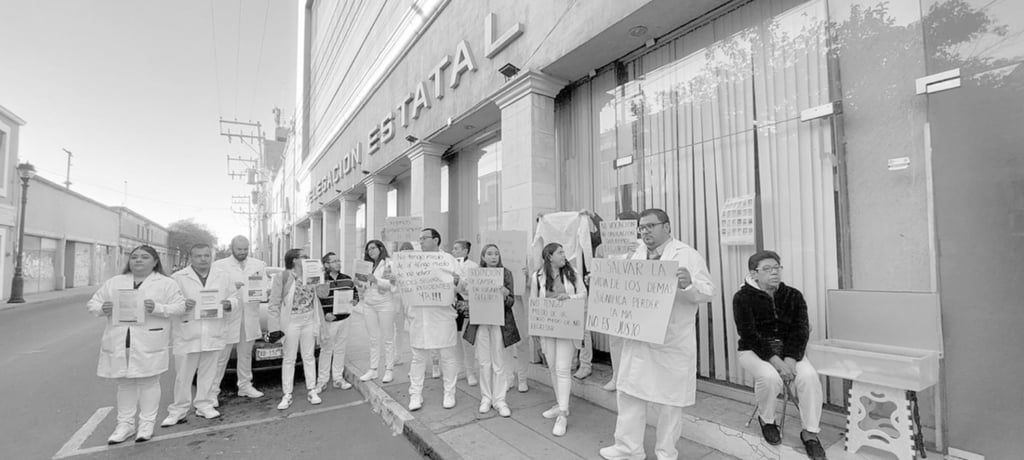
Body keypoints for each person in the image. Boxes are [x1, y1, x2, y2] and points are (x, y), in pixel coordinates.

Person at [600, 208, 715, 460]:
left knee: (670, 403)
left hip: (671, 340)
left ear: (667, 227)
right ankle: (628, 448)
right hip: (639, 337)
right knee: (629, 393)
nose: (645, 232)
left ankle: (666, 452)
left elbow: (708, 292)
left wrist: (688, 285)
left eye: (651, 226)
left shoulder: (687, 255)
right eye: (642, 227)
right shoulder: (634, 253)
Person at [88, 245, 186, 444]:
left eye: (144, 257)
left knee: (149, 382)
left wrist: (157, 307)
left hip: (149, 340)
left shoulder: (166, 283)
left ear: (155, 261)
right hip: (120, 340)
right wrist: (102, 308)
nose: (138, 260)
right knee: (125, 383)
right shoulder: (115, 282)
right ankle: (125, 425)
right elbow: (93, 303)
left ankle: (146, 424)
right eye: (134, 257)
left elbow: (180, 306)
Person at [733, 250, 826, 460]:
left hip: (789, 352)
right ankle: (767, 420)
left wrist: (791, 358)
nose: (774, 273)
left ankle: (810, 432)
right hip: (753, 351)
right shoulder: (742, 298)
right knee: (769, 377)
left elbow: (800, 330)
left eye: (777, 268)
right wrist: (776, 362)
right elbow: (749, 334)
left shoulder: (793, 295)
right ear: (754, 274)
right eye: (767, 269)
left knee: (809, 377)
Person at [162, 244, 237, 428]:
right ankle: (178, 410)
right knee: (184, 376)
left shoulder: (223, 276)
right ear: (191, 257)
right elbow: (169, 302)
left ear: (211, 257)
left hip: (213, 330)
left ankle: (204, 404)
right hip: (188, 332)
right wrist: (182, 304)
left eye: (206, 255)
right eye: (198, 256)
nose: (203, 259)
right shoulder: (178, 278)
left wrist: (229, 304)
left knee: (208, 373)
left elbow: (235, 297)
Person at [531, 242, 587, 437]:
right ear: (549, 256)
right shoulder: (537, 276)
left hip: (566, 327)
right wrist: (536, 331)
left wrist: (568, 298)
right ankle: (560, 404)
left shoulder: (573, 273)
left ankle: (562, 415)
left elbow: (583, 294)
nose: (564, 255)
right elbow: (534, 302)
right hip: (548, 328)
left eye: (563, 252)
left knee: (563, 369)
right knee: (553, 367)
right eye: (560, 252)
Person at [459, 243, 520, 417]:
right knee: (484, 361)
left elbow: (511, 302)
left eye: (496, 254)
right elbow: (469, 297)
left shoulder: (506, 274)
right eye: (490, 254)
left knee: (499, 362)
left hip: (499, 322)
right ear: (483, 257)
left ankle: (500, 400)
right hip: (481, 322)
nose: (493, 257)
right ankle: (486, 397)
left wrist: (505, 294)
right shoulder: (476, 274)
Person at [404, 228, 461, 411]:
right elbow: (402, 286)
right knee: (418, 357)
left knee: (447, 356)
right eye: (419, 239)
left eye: (424, 238)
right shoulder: (413, 261)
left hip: (442, 316)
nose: (420, 241)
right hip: (420, 316)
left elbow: (463, 288)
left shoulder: (449, 260)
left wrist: (458, 280)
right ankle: (415, 394)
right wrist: (395, 278)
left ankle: (449, 392)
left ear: (436, 240)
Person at [211, 236, 267, 402]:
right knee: (221, 357)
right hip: (229, 316)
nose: (242, 252)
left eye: (245, 249)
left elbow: (263, 286)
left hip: (249, 314)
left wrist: (264, 292)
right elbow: (213, 290)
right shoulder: (219, 266)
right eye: (239, 249)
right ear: (231, 248)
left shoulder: (258, 265)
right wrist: (230, 288)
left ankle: (245, 386)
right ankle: (212, 392)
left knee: (245, 354)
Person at [269, 248, 325, 410]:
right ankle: (287, 393)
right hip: (291, 321)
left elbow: (321, 294)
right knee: (289, 358)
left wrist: (321, 279)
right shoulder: (284, 277)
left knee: (308, 356)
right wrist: (274, 329)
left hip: (308, 319)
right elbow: (274, 304)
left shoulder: (310, 274)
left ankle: (312, 389)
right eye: (304, 257)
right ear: (294, 260)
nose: (307, 259)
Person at [591, 210, 641, 392]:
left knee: (634, 343)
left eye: (623, 224)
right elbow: (600, 269)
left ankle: (633, 381)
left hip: (634, 302)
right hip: (613, 302)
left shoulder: (641, 246)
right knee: (615, 341)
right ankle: (617, 377)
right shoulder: (607, 248)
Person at [315, 252, 358, 392]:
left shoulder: (347, 279)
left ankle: (338, 379)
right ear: (326, 264)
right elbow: (317, 301)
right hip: (329, 321)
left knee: (340, 349)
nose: (338, 263)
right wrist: (324, 314)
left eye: (338, 260)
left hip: (344, 318)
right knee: (326, 350)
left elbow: (355, 294)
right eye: (334, 261)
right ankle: (322, 380)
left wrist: (355, 300)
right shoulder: (320, 280)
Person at [358, 240, 397, 383]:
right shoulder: (366, 265)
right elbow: (363, 285)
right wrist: (360, 283)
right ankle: (373, 369)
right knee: (373, 338)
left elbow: (393, 285)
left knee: (388, 338)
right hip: (368, 304)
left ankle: (389, 369)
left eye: (373, 248)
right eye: (368, 249)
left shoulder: (389, 264)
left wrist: (375, 280)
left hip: (385, 304)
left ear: (381, 248)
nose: (371, 251)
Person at [452, 239, 479, 387]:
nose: (453, 251)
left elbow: (472, 286)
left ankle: (470, 372)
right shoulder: (450, 265)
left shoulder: (473, 266)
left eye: (456, 249)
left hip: (468, 304)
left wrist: (460, 282)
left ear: (465, 251)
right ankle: (461, 369)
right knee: (455, 338)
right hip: (453, 304)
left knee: (467, 339)